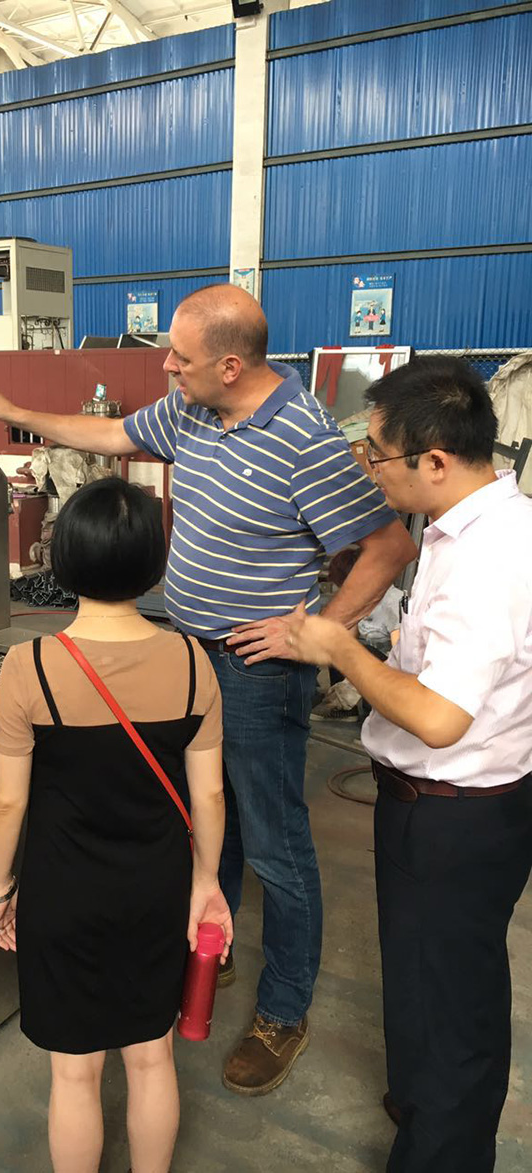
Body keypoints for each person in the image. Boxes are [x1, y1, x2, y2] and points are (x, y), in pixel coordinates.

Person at [0, 284, 416, 1095]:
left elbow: (386, 547)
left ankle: (284, 1010)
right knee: (206, 812)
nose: (167, 366)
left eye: (181, 356)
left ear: (231, 365)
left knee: (274, 843)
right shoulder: (192, 411)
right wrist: (13, 411)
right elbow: (110, 433)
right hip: (187, 651)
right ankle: (211, 941)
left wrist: (316, 634)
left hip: (258, 671)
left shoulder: (305, 436)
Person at [283, 356, 532, 1173]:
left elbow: (436, 716)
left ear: (436, 459)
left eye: (378, 453)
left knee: (450, 1007)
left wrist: (339, 647)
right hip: (449, 808)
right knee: (435, 988)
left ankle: (441, 1148)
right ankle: (423, 1105)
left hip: (452, 817)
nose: (370, 467)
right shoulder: (472, 527)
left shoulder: (488, 556)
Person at [0, 477, 231, 1173]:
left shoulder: (29, 666)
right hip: (156, 888)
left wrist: (0, 890)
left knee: (74, 1073)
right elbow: (210, 795)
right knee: (152, 1058)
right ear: (155, 563)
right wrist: (206, 883)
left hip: (62, 893)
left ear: (62, 561)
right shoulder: (193, 663)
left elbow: (7, 803)